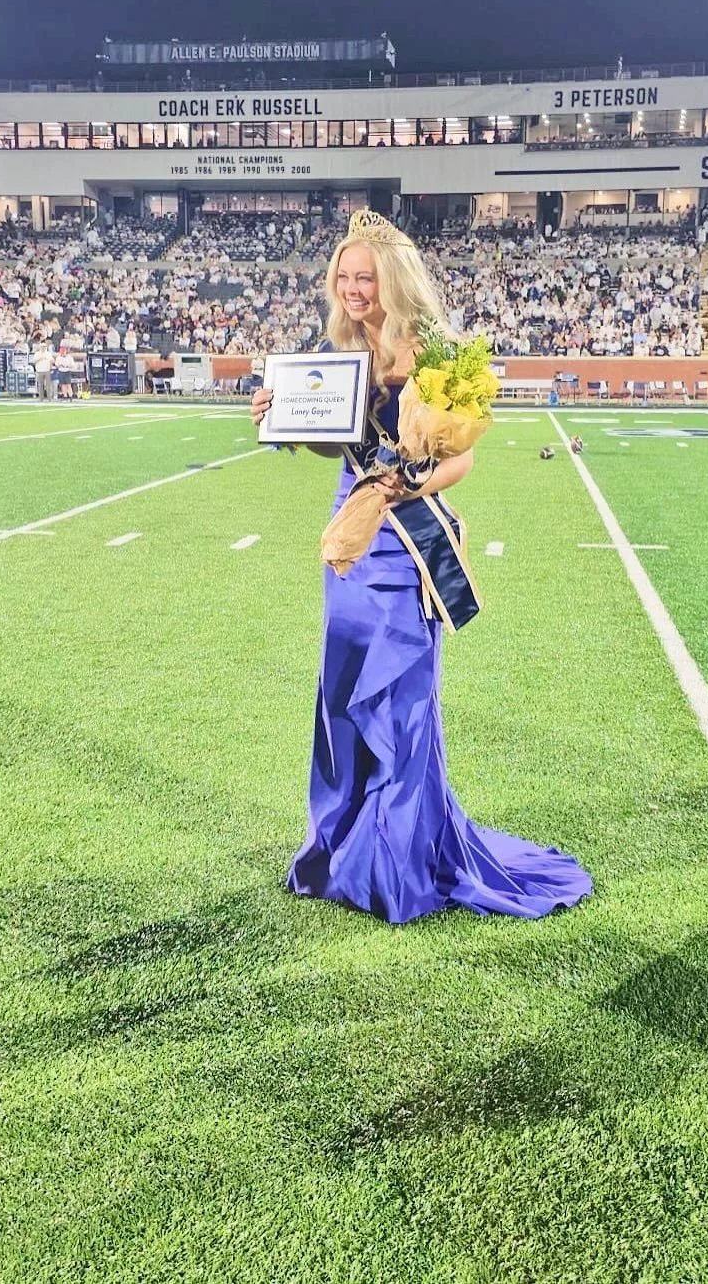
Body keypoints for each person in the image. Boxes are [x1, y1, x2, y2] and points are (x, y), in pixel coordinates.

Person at [249, 208, 591, 923]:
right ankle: (342, 844)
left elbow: (459, 454)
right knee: (343, 695)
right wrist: (278, 418)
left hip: (407, 544)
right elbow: (328, 444)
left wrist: (415, 482)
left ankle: (400, 862)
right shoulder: (337, 349)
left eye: (363, 276)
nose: (351, 288)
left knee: (402, 705)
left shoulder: (432, 352)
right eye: (342, 276)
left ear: (391, 279)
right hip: (351, 537)